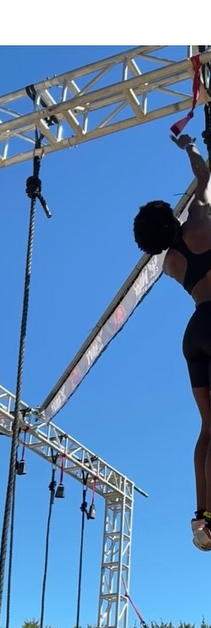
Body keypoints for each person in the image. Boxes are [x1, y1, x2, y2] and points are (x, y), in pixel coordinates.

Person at [134, 131, 211, 547]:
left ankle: (203, 518)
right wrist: (191, 149)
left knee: (208, 426)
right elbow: (204, 176)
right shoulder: (199, 218)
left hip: (195, 329)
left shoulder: (168, 264)